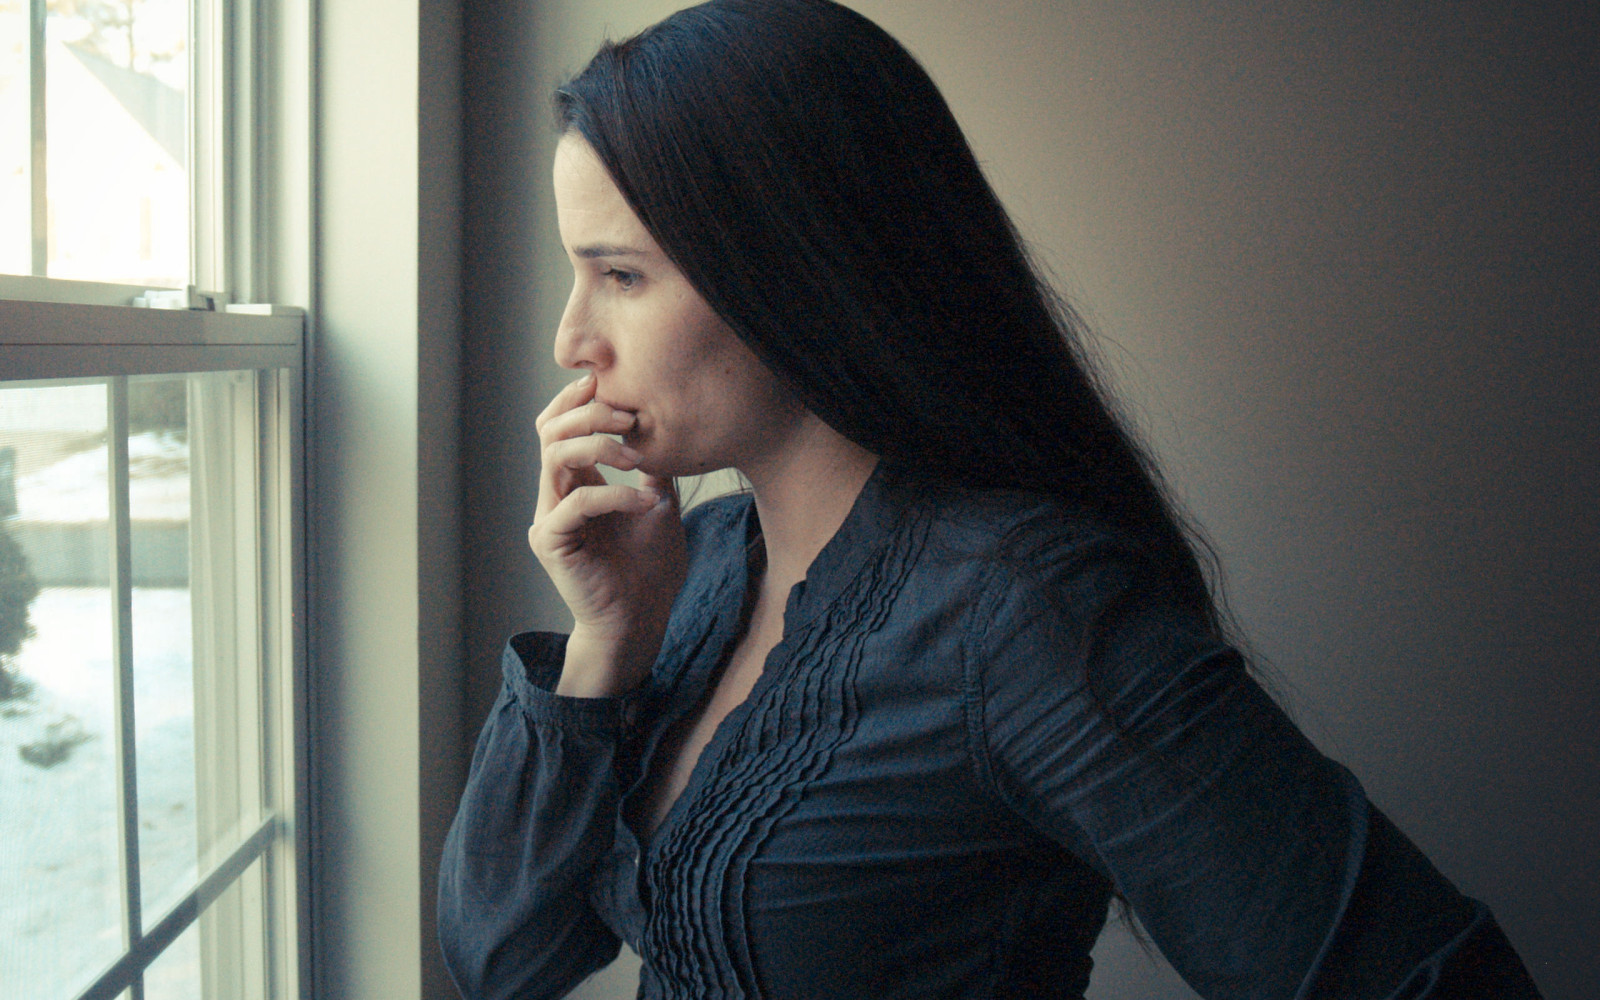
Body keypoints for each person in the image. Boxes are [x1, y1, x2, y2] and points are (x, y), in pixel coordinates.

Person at [437, 1, 1542, 997]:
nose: (568, 339)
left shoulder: (1021, 609)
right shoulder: (704, 559)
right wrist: (604, 645)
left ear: (787, 263)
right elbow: (501, 957)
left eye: (620, 275)